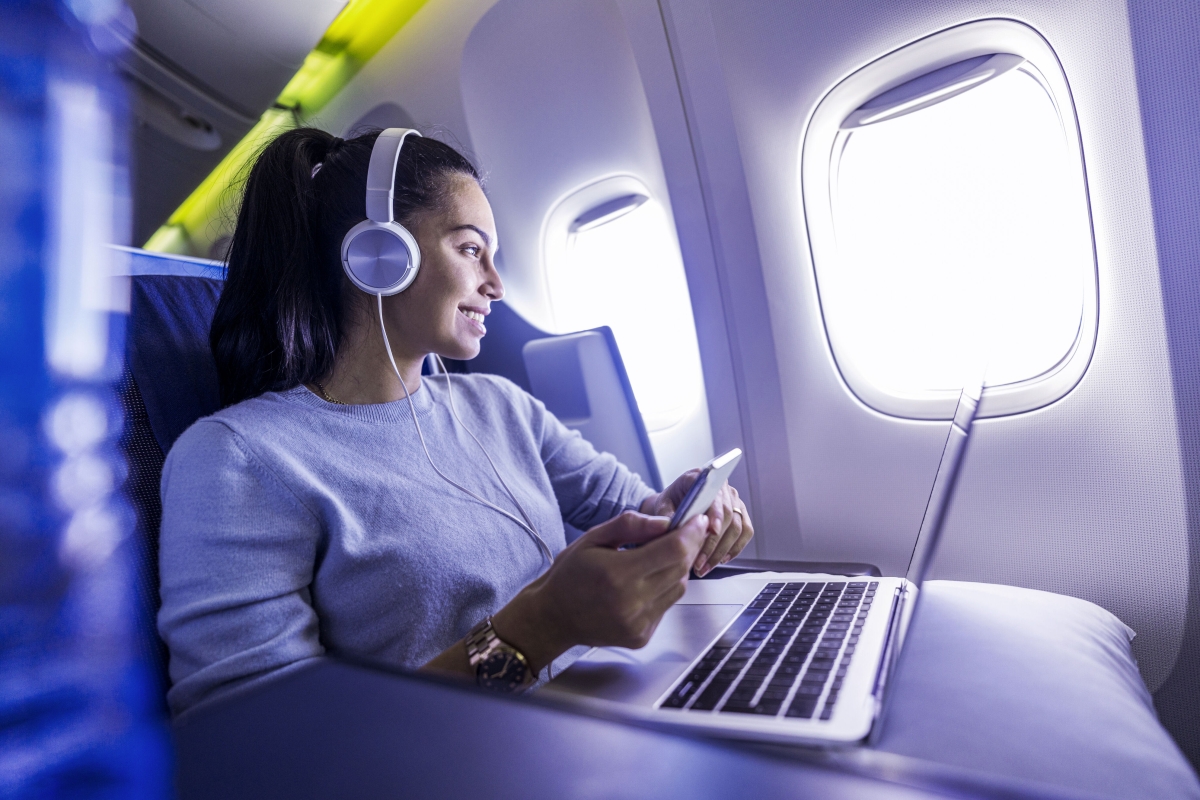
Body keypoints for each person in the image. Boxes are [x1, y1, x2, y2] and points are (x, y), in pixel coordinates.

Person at [157, 127, 754, 716]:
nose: (495, 284)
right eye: (471, 249)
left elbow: (633, 510)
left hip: (585, 722)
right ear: (378, 254)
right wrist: (540, 628)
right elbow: (246, 742)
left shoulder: (500, 405)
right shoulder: (238, 457)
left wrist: (688, 516)